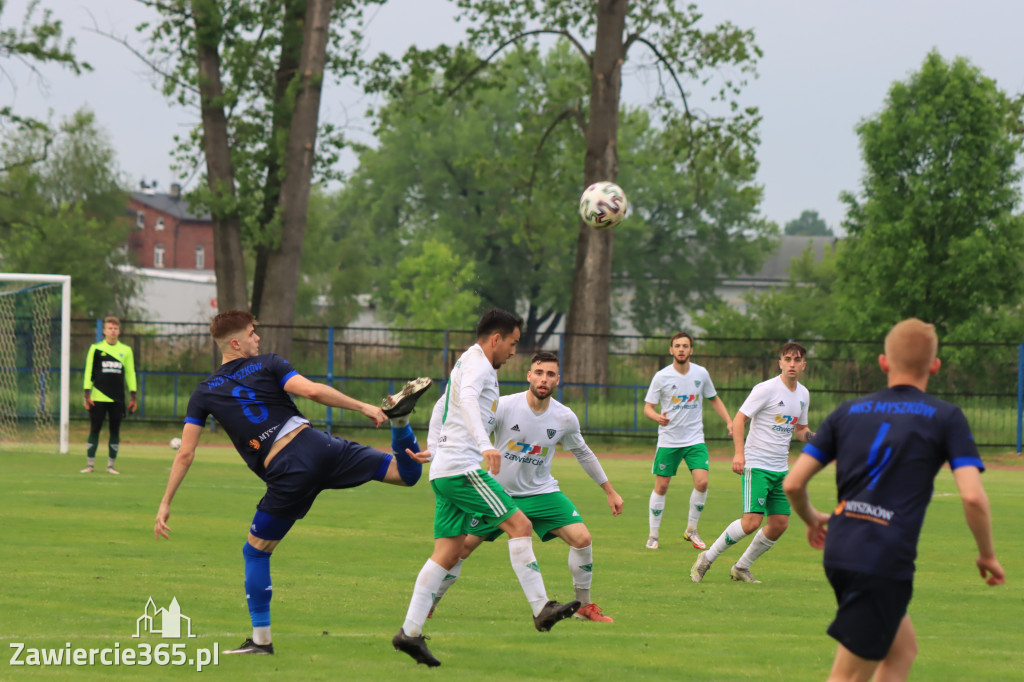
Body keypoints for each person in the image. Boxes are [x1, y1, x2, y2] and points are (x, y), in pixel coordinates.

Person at [153, 310, 432, 655]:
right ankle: (401, 421)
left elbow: (185, 453)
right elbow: (312, 392)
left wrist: (166, 502)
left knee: (254, 552)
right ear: (236, 342)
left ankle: (261, 641)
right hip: (321, 446)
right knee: (406, 474)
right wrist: (363, 407)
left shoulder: (203, 393)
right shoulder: (269, 363)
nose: (258, 338)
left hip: (288, 469)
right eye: (253, 333)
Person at [783, 318, 1005, 682]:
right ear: (935, 366)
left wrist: (811, 518)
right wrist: (987, 554)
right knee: (849, 676)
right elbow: (972, 496)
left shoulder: (847, 412)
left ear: (883, 362)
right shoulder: (945, 417)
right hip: (882, 556)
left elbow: (793, 484)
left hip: (842, 546)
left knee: (902, 651)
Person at [393, 310, 580, 668]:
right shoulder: (478, 366)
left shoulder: (467, 360)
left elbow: (441, 406)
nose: (513, 352)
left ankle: (410, 633)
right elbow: (462, 400)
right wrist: (484, 445)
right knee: (520, 525)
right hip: (463, 469)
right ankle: (542, 608)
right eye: (512, 343)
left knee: (448, 554)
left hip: (445, 469)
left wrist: (435, 447)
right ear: (496, 339)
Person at [426, 352, 624, 624]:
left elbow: (584, 453)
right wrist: (438, 450)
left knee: (583, 539)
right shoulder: (504, 406)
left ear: (557, 380)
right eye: (539, 373)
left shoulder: (564, 417)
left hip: (542, 493)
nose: (544, 379)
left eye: (550, 374)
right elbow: (469, 426)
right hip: (497, 494)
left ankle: (584, 606)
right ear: (529, 375)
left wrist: (609, 490)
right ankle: (429, 603)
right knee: (458, 550)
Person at [690, 341, 814, 584]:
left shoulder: (803, 394)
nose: (792, 364)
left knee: (779, 523)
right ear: (780, 363)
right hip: (758, 465)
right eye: (787, 359)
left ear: (803, 365)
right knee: (751, 522)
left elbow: (800, 429)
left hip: (781, 468)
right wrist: (739, 454)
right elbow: (739, 420)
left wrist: (816, 438)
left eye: (796, 360)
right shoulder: (766, 389)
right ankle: (707, 558)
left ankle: (741, 567)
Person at [643, 332, 732, 550]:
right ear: (671, 350)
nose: (681, 349)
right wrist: (657, 417)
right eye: (677, 346)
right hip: (669, 441)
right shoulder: (661, 376)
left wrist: (729, 421)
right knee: (661, 487)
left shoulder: (701, 373)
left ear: (691, 350)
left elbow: (714, 398)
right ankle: (653, 535)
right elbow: (648, 408)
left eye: (685, 346)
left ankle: (692, 530)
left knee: (702, 482)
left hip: (694, 440)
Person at [81, 316, 137, 474]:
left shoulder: (126, 350)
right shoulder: (96, 349)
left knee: (115, 430)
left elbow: (131, 374)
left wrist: (133, 396)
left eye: (115, 328)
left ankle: (110, 466)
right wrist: (87, 395)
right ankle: (90, 464)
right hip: (97, 398)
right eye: (110, 328)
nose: (113, 331)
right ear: (104, 330)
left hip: (117, 399)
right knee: (94, 429)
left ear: (119, 331)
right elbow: (89, 372)